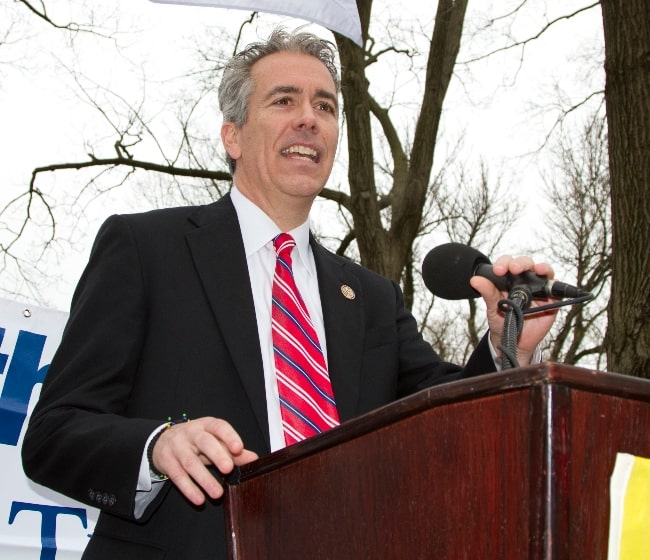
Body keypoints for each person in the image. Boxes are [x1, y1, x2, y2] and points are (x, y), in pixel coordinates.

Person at [22, 27, 558, 560]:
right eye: (284, 100)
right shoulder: (146, 250)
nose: (309, 118)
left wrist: (508, 342)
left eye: (325, 106)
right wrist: (156, 446)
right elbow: (53, 433)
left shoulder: (372, 298)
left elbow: (450, 428)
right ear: (233, 135)